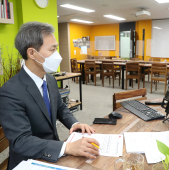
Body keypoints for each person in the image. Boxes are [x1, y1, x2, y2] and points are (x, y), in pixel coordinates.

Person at [0, 22, 100, 170]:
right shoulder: (10, 92)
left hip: (54, 153)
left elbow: (60, 108)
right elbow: (21, 141)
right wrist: (67, 147)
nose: (57, 55)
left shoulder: (50, 79)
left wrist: (74, 124)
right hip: (30, 161)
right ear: (32, 53)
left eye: (56, 49)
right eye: (52, 49)